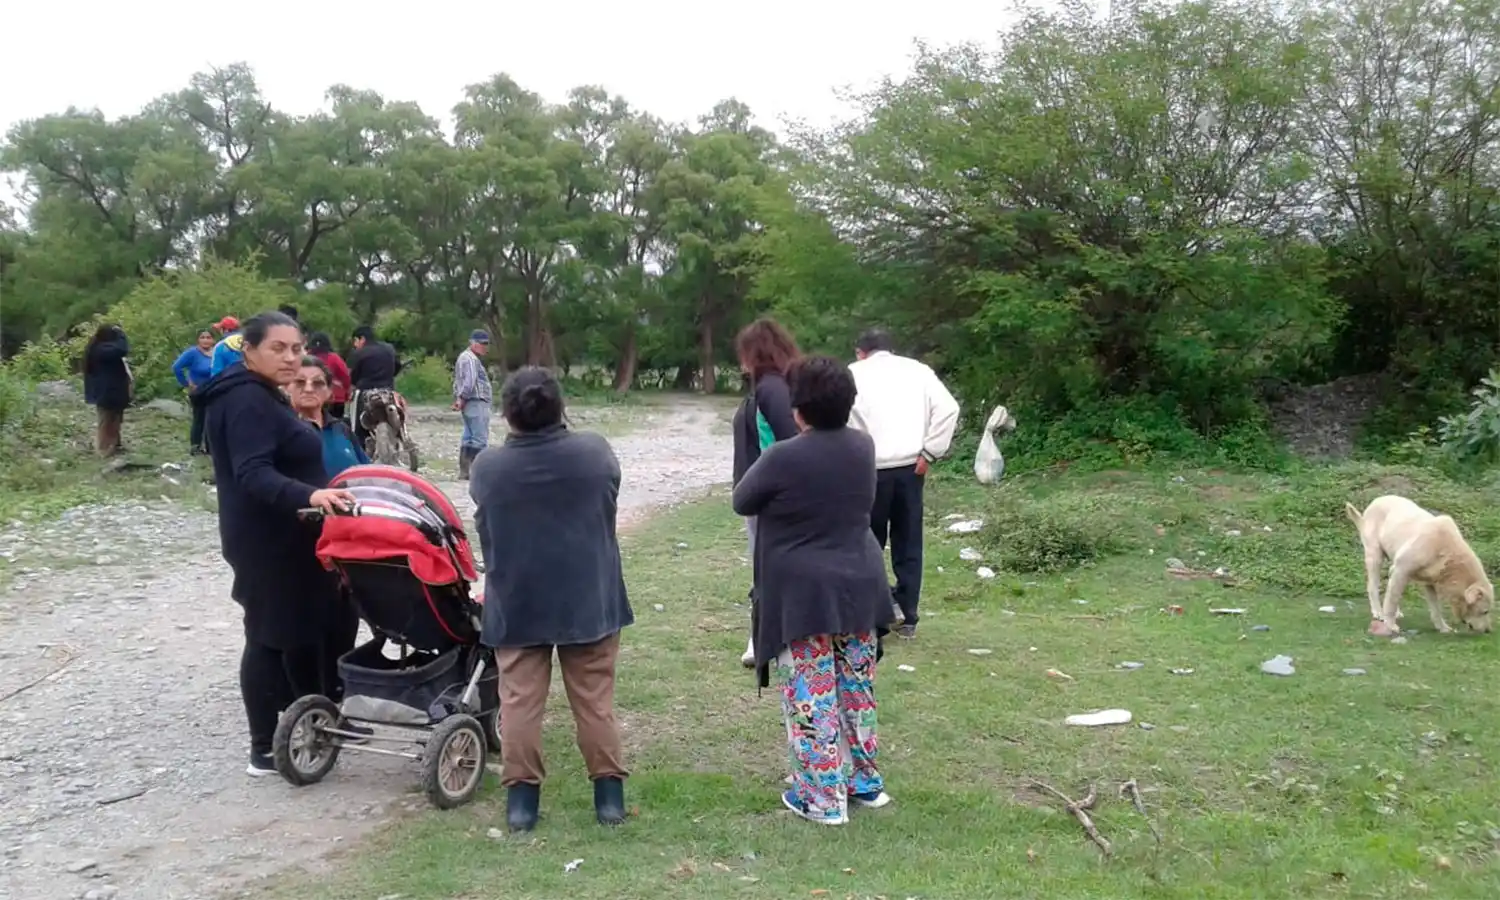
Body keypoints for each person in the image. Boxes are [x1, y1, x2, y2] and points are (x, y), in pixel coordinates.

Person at [195, 311, 361, 776]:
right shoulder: (247, 400)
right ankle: (264, 746)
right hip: (266, 539)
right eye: (278, 348)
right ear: (248, 349)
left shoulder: (257, 393)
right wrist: (311, 493)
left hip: (288, 534)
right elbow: (252, 473)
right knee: (269, 637)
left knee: (294, 630)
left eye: (296, 347)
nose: (290, 358)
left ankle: (304, 722)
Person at [731, 355, 895, 825]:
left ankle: (822, 799)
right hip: (861, 583)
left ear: (798, 409)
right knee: (857, 687)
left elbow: (743, 499)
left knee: (812, 691)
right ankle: (865, 783)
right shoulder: (863, 446)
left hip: (804, 591)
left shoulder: (783, 456)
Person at [469, 367, 633, 833]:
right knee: (595, 701)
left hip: (518, 599)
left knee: (519, 703)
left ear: (506, 413)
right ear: (561, 407)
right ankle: (609, 798)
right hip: (588, 598)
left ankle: (522, 804)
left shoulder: (488, 465)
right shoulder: (595, 452)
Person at [848, 329, 960, 640]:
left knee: (867, 542)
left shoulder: (852, 374)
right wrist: (931, 451)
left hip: (868, 468)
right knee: (908, 541)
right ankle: (908, 615)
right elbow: (949, 409)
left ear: (861, 352)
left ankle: (874, 615)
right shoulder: (918, 371)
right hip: (912, 466)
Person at [731, 318, 801, 668]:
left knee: (768, 565)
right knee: (768, 565)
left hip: (768, 495)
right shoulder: (775, 386)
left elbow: (788, 440)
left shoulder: (771, 389)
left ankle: (764, 639)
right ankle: (767, 636)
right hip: (763, 491)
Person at [291, 356, 370, 477]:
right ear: (286, 388)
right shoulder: (279, 431)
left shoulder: (341, 429)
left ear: (329, 392)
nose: (308, 389)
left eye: (318, 383)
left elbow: (367, 471)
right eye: (300, 382)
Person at [348, 325, 402, 449]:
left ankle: (359, 448)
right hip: (388, 391)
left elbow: (353, 376)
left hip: (365, 393)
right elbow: (397, 366)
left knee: (357, 426)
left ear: (361, 339)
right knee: (397, 416)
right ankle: (400, 440)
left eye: (355, 341)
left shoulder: (359, 353)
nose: (355, 345)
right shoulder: (389, 349)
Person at [83, 324, 132, 457]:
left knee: (115, 419)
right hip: (106, 392)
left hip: (113, 391)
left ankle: (115, 444)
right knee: (106, 421)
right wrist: (121, 334)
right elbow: (122, 349)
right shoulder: (101, 350)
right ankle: (104, 448)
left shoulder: (99, 347)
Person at [452, 330, 493, 480]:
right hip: (475, 401)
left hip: (470, 401)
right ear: (473, 343)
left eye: (486, 344)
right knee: (480, 437)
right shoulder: (470, 359)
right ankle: (478, 472)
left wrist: (459, 398)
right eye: (482, 343)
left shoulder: (466, 357)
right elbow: (469, 381)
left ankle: (465, 471)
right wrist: (462, 397)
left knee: (469, 436)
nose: (485, 347)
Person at [173, 329, 217, 453]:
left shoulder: (217, 352)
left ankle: (210, 447)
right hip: (198, 391)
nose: (206, 340)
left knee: (212, 419)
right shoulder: (193, 353)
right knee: (199, 418)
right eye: (202, 337)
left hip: (214, 390)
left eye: (208, 337)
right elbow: (177, 367)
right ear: (198, 339)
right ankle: (195, 446)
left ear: (213, 340)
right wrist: (187, 384)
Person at [307, 332, 352, 420]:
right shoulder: (334, 358)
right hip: (336, 398)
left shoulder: (307, 358)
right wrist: (346, 393)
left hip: (313, 398)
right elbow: (345, 376)